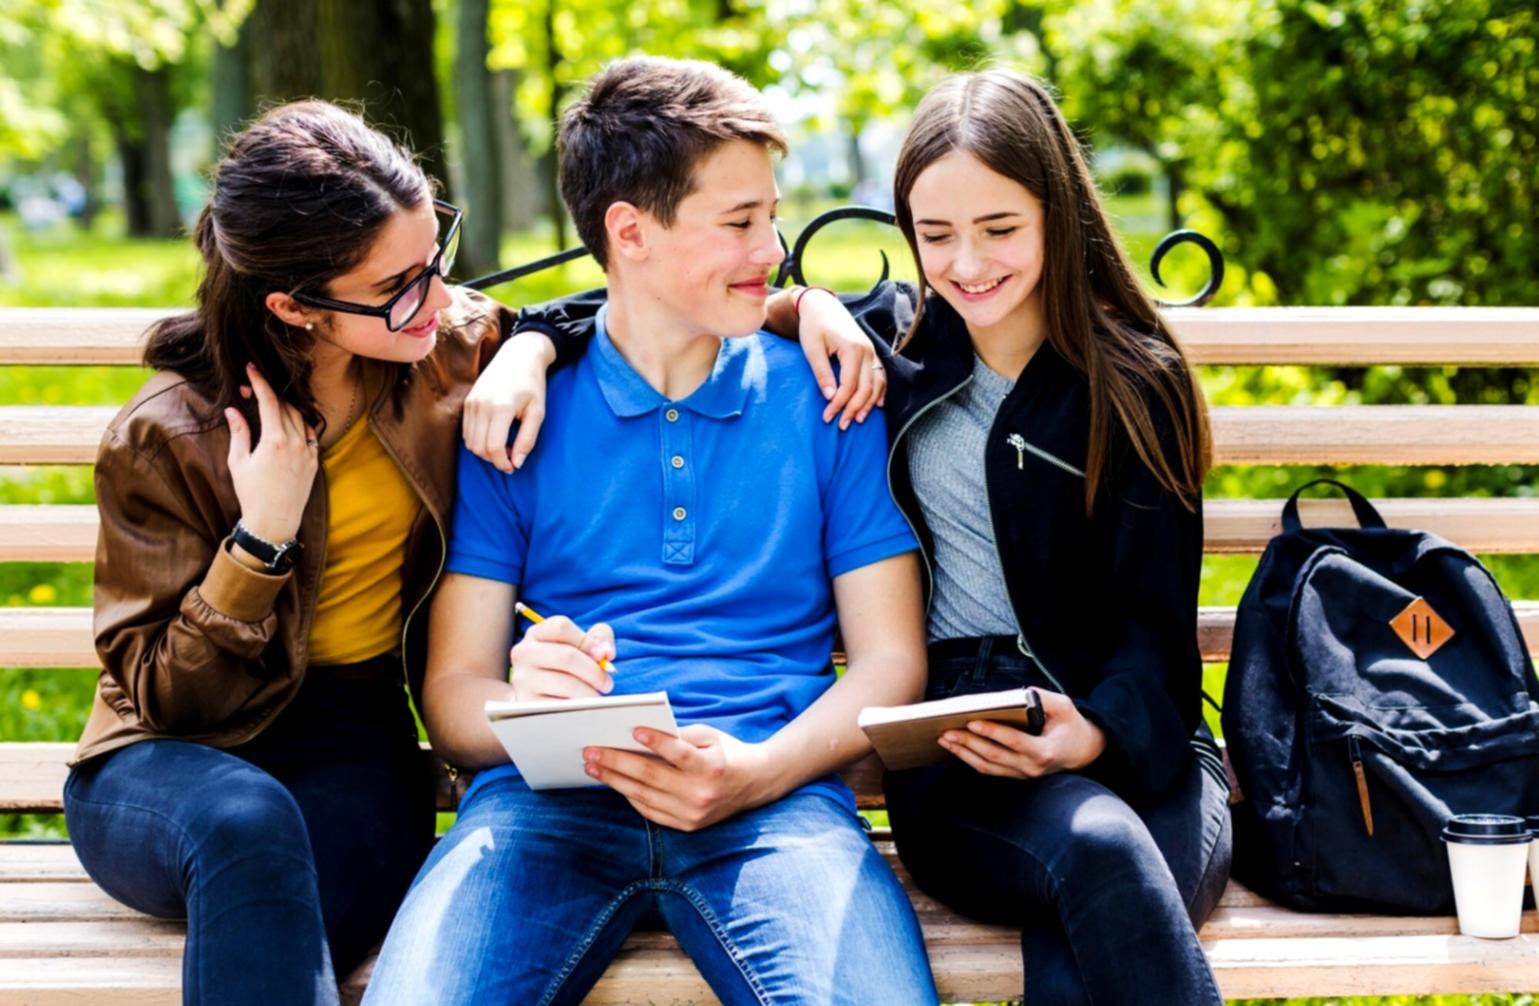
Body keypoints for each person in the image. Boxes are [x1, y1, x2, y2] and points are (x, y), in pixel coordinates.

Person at [505, 68, 1233, 1005]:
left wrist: (1090, 733)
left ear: (1061, 213)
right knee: (1088, 863)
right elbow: (663, 304)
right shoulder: (893, 351)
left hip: (1130, 740)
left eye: (1000, 229)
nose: (967, 264)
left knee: (1085, 910)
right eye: (934, 236)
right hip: (964, 749)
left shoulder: (1133, 386)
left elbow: (1158, 633)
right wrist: (531, 343)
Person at [363, 56, 937, 1006]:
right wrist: (523, 708)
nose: (773, 247)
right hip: (543, 810)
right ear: (629, 231)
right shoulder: (515, 418)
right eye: (739, 222)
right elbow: (454, 696)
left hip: (778, 804)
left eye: (771, 215)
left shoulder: (826, 399)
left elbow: (889, 664)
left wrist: (755, 774)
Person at [65, 99, 587, 1005]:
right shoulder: (167, 436)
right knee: (248, 826)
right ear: (293, 306)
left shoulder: (443, 348)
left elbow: (626, 312)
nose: (437, 297)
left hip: (354, 739)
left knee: (285, 915)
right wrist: (258, 540)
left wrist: (531, 347)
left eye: (435, 259)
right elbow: (162, 695)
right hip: (162, 760)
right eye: (399, 285)